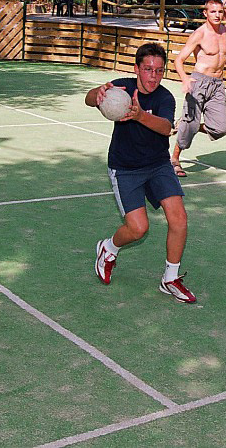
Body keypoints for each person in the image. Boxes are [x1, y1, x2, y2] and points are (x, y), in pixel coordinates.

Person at [88, 42, 196, 303]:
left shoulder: (164, 97)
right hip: (125, 168)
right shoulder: (121, 87)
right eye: (148, 69)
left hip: (158, 165)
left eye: (159, 71)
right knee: (138, 229)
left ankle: (170, 277)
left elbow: (165, 127)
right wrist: (98, 92)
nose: (153, 76)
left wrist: (138, 116)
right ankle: (108, 248)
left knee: (179, 219)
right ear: (137, 68)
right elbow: (89, 99)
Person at [170, 0, 226, 177]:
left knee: (220, 128)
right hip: (198, 83)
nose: (217, 15)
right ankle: (175, 159)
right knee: (190, 125)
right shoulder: (199, 34)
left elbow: (221, 54)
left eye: (220, 11)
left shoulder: (225, 30)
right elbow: (178, 60)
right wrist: (185, 79)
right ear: (205, 13)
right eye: (213, 11)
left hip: (217, 85)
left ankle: (185, 125)